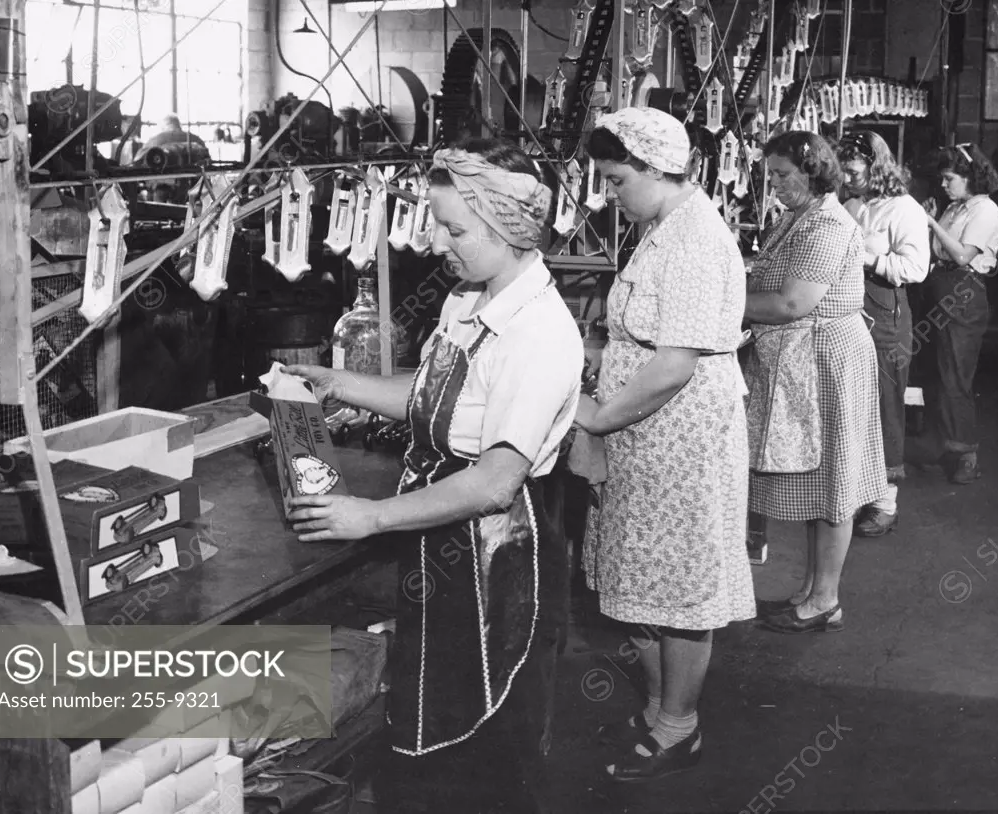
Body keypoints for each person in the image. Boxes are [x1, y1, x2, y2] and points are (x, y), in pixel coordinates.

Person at [283, 138, 584, 813]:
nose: (436, 241)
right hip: (443, 536)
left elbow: (495, 482)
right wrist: (340, 383)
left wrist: (371, 516)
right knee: (428, 718)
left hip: (494, 552)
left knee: (482, 730)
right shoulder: (468, 298)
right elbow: (431, 392)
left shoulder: (540, 333)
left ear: (509, 226)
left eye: (454, 228)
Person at [576, 107, 756, 783]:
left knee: (678, 585)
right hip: (648, 434)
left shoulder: (694, 243)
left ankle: (680, 726)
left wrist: (596, 418)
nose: (611, 193)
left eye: (618, 180)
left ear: (656, 169)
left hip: (679, 437)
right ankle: (658, 710)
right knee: (644, 578)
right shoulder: (662, 228)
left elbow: (675, 363)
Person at [745, 131, 885, 634]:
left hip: (828, 358)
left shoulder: (826, 223)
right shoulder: (799, 216)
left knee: (833, 482)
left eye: (783, 175)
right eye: (772, 175)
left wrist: (718, 304)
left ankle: (825, 599)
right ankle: (812, 590)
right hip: (808, 355)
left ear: (812, 170)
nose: (775, 185)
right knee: (816, 482)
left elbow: (791, 303)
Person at [838, 131, 930, 536]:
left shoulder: (902, 209)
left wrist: (866, 257)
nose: (844, 175)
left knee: (886, 405)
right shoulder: (853, 203)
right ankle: (862, 492)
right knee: (856, 404)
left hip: (887, 315)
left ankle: (885, 503)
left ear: (875, 165)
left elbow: (915, 269)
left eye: (852, 168)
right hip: (852, 311)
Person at [920, 142, 998, 484]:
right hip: (942, 286)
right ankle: (945, 443)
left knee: (957, 374)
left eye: (949, 178)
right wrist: (930, 224)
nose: (943, 185)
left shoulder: (985, 211)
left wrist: (931, 223)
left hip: (965, 292)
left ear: (969, 177)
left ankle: (966, 451)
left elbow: (963, 256)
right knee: (938, 371)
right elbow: (939, 252)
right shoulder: (955, 207)